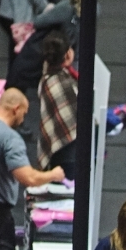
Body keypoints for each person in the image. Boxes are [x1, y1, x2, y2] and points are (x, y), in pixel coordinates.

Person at [0, 87, 65, 250]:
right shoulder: (9, 138)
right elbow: (28, 177)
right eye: (24, 114)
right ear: (16, 109)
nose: (23, 119)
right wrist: (54, 175)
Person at [36, 32, 77, 179]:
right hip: (70, 153)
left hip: (58, 150)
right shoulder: (64, 83)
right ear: (67, 55)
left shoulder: (47, 77)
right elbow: (79, 117)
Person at [0, 0, 50, 70]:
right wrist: (47, 9)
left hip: (5, 12)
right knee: (21, 58)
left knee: (14, 55)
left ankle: (10, 82)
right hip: (20, 14)